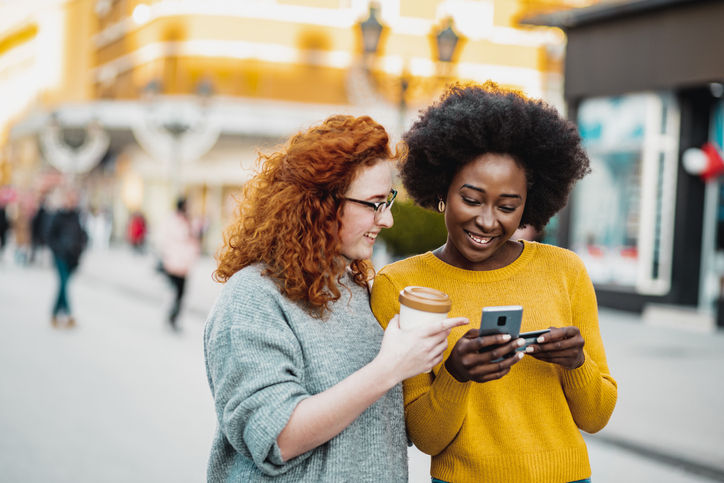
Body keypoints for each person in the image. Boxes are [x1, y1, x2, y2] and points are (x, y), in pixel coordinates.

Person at [370, 83, 618, 483]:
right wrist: (455, 373)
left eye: (507, 207)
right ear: (442, 192)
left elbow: (597, 416)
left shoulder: (564, 270)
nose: (488, 221)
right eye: (471, 199)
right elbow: (426, 438)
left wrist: (576, 362)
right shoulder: (401, 285)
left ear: (529, 206)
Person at [203, 115, 466, 482]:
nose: (387, 220)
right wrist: (389, 367)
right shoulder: (252, 299)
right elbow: (277, 438)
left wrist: (455, 367)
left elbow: (384, 429)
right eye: (375, 203)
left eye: (387, 200)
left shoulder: (355, 291)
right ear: (319, 204)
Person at [46, 187, 87, 328]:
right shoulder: (58, 216)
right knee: (63, 284)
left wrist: (80, 248)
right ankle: (68, 314)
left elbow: (83, 235)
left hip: (72, 257)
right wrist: (59, 248)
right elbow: (50, 236)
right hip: (60, 256)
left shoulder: (77, 217)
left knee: (64, 285)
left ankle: (54, 313)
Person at [158, 197, 199, 330]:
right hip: (173, 263)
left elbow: (192, 241)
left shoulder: (187, 221)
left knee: (181, 294)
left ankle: (174, 317)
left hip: (184, 265)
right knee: (175, 293)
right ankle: (171, 316)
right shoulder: (173, 221)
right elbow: (168, 240)